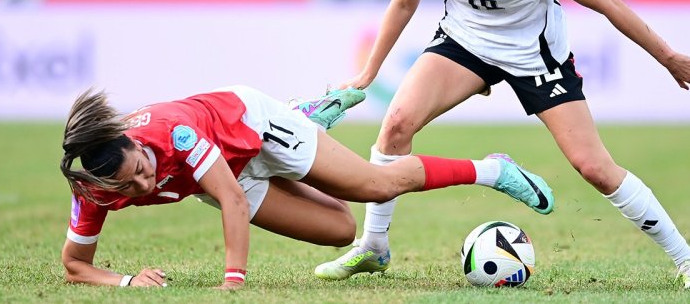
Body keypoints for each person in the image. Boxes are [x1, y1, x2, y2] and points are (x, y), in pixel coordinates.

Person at [314, 0, 690, 289]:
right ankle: (374, 247)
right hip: (465, 44)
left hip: (537, 58)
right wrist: (367, 73)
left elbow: (605, 1)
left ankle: (687, 259)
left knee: (594, 168)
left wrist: (668, 56)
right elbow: (402, 3)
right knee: (394, 125)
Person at [60, 84, 554, 288]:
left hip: (250, 126)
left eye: (145, 165)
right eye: (133, 184)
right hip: (224, 172)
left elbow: (231, 200)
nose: (147, 181)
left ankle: (492, 168)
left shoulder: (174, 135)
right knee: (340, 230)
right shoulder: (95, 189)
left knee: (375, 187)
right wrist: (127, 282)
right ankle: (309, 121)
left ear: (135, 142)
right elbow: (75, 266)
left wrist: (233, 281)